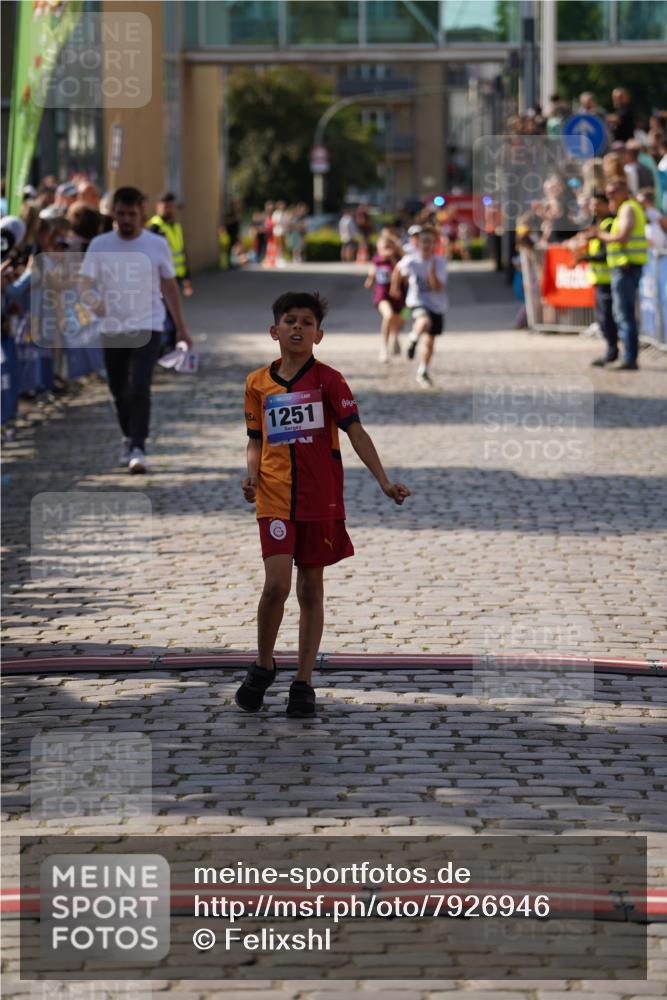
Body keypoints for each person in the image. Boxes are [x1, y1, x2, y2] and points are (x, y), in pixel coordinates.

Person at [238, 291, 410, 718]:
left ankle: (303, 680)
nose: (298, 328)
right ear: (274, 331)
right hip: (275, 497)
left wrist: (384, 481)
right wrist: (253, 474)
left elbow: (356, 432)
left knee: (310, 588)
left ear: (319, 334)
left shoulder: (330, 381)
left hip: (320, 499)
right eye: (290, 320)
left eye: (307, 322)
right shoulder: (257, 383)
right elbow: (255, 439)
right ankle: (263, 665)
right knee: (276, 584)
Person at [80, 186, 193, 471]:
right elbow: (83, 284)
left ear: (142, 214)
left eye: (132, 214)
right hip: (113, 326)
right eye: (121, 214)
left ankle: (139, 447)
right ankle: (128, 436)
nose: (126, 220)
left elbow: (169, 286)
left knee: (140, 385)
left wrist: (181, 327)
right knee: (119, 388)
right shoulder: (100, 245)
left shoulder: (156, 245)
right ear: (113, 214)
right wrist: (95, 305)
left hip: (148, 324)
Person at [591, 179, 648, 370]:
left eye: (613, 192)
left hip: (626, 268)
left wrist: (601, 236)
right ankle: (624, 355)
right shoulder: (626, 208)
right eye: (608, 193)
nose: (609, 197)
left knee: (624, 315)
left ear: (624, 192)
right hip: (625, 268)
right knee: (621, 314)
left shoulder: (627, 209)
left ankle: (629, 358)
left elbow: (623, 237)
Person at [391, 226, 448, 388]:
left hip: (437, 305)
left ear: (434, 244)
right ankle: (413, 339)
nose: (426, 245)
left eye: (430, 242)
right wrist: (395, 287)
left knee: (430, 343)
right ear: (418, 243)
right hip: (417, 301)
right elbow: (397, 270)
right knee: (423, 321)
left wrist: (431, 274)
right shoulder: (411, 260)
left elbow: (438, 287)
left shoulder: (440, 262)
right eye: (424, 242)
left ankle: (423, 370)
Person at [577, 192, 619, 367]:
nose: (594, 208)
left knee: (609, 318)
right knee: (603, 319)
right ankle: (611, 351)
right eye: (592, 205)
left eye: (598, 204)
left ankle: (613, 352)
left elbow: (604, 254)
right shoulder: (596, 224)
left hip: (609, 279)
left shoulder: (609, 224)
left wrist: (584, 257)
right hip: (600, 280)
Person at [365, 234, 404, 363]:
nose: (385, 250)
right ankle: (384, 348)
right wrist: (370, 279)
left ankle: (395, 336)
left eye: (388, 247)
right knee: (388, 316)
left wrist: (393, 260)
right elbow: (369, 281)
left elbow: (405, 278)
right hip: (382, 296)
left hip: (399, 297)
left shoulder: (400, 261)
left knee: (400, 321)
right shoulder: (377, 261)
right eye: (382, 248)